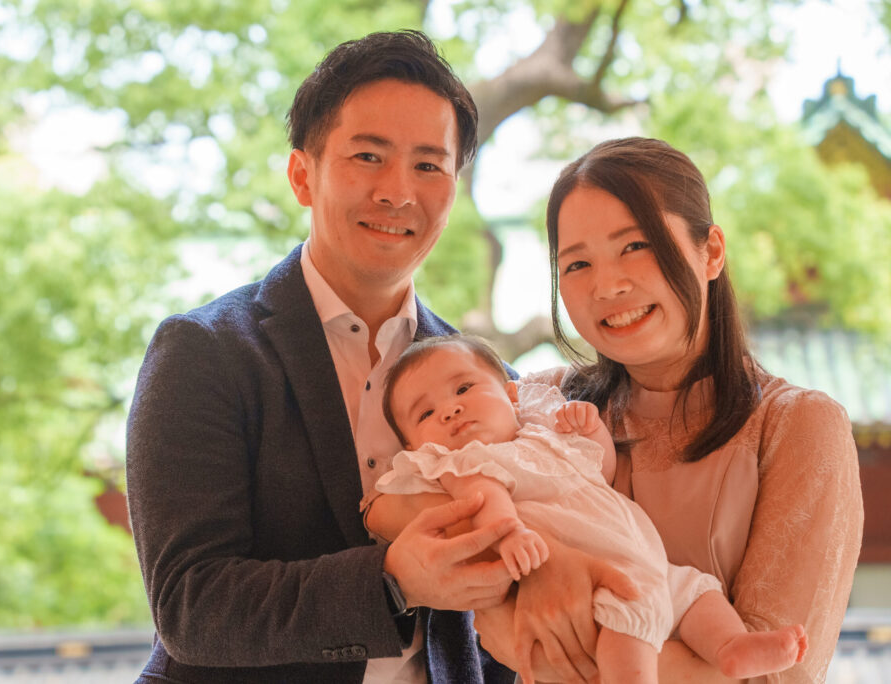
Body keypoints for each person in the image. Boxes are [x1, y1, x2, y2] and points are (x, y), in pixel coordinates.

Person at [126, 30, 631, 684]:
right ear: (302, 174)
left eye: (428, 165)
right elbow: (190, 604)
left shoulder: (487, 384)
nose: (398, 192)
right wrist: (393, 581)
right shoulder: (205, 353)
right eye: (369, 156)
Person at [367, 137, 863, 683]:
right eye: (577, 263)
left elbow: (780, 676)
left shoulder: (797, 425)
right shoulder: (541, 400)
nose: (608, 286)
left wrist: (568, 658)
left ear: (712, 252)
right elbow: (405, 500)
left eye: (635, 246)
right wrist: (553, 560)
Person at [371, 333, 809, 683]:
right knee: (625, 631)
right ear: (413, 444)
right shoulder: (467, 463)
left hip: (647, 559)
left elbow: (601, 469)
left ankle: (730, 648)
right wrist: (513, 533)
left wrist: (593, 431)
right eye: (426, 413)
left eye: (463, 388)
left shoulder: (544, 430)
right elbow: (485, 500)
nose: (451, 410)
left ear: (512, 395)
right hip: (598, 577)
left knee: (697, 592)